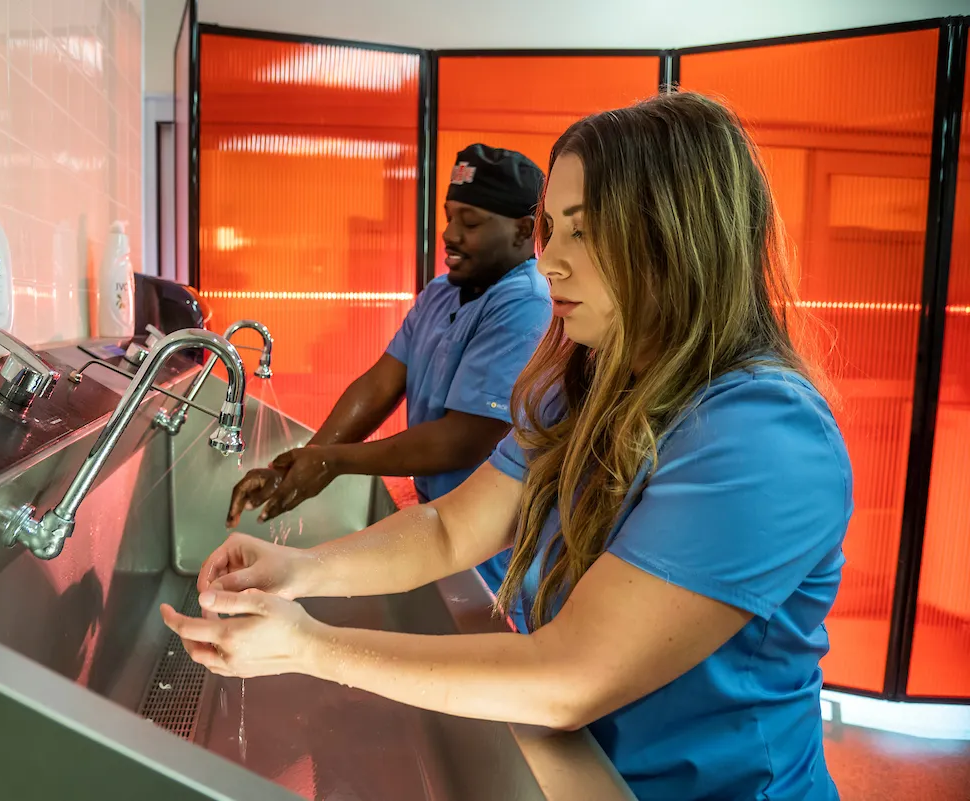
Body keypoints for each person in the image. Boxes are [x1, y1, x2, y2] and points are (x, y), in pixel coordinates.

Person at [165, 92, 852, 801]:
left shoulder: (763, 437)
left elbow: (569, 676)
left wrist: (310, 646)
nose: (549, 261)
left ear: (676, 237)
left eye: (583, 232)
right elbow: (448, 527)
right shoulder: (586, 384)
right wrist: (297, 570)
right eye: (552, 228)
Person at [227, 144, 552, 602]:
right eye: (449, 216)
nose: (450, 234)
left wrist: (332, 462)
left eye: (471, 222)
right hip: (441, 531)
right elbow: (380, 384)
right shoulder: (441, 294)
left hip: (497, 550)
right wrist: (303, 460)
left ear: (523, 230)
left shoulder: (525, 304)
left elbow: (464, 440)